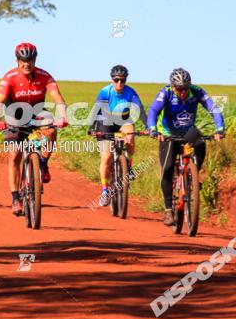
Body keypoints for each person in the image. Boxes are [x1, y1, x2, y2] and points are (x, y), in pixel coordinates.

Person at [0, 42, 68, 216]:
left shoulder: (44, 76)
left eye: (30, 59)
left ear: (35, 60)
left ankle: (43, 164)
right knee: (14, 155)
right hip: (14, 115)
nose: (27, 63)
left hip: (37, 113)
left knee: (50, 130)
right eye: (23, 60)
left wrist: (63, 116)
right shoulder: (9, 77)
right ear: (17, 61)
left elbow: (57, 97)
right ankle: (15, 199)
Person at [147, 67, 225, 226]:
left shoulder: (197, 91)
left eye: (185, 88)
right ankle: (168, 210)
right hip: (168, 132)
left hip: (188, 131)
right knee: (168, 167)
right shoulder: (166, 92)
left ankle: (194, 174)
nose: (183, 92)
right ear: (173, 86)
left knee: (201, 142)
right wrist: (153, 129)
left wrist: (220, 128)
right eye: (179, 89)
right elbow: (153, 111)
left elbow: (213, 109)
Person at [89, 65, 144, 207]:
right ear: (112, 79)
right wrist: (91, 127)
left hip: (122, 121)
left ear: (126, 80)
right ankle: (105, 191)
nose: (119, 83)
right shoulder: (105, 92)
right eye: (116, 80)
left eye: (122, 80)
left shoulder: (131, 92)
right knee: (106, 157)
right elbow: (96, 109)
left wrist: (150, 127)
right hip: (105, 122)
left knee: (130, 135)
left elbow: (140, 110)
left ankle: (129, 166)